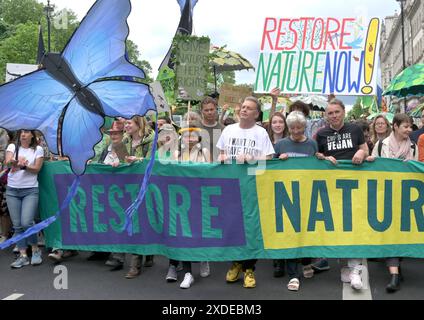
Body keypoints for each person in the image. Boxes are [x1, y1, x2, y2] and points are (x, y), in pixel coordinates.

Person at [217, 96, 275, 289]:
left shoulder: (261, 133)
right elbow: (220, 154)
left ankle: (249, 268)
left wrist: (252, 158)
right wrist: (223, 157)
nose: (244, 110)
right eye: (243, 107)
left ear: (256, 114)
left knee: (250, 228)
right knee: (233, 225)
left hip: (252, 186)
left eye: (249, 108)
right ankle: (236, 263)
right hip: (231, 187)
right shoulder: (228, 129)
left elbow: (268, 158)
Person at [315, 98, 370, 290]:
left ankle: (355, 268)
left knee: (353, 225)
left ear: (343, 112)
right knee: (337, 227)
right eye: (330, 113)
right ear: (326, 115)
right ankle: (346, 268)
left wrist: (361, 154)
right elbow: (316, 157)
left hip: (354, 186)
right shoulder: (321, 134)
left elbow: (365, 149)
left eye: (336, 112)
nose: (334, 116)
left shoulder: (354, 129)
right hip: (331, 188)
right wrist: (322, 157)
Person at [370, 113, 418, 293]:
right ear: (395, 126)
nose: (409, 130)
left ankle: (397, 267)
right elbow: (372, 169)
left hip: (405, 196)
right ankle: (394, 275)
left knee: (401, 232)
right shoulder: (381, 144)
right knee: (390, 233)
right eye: (405, 126)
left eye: (410, 126)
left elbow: (415, 170)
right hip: (385, 195)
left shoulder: (412, 146)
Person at [274, 111, 319, 291]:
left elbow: (317, 167)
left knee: (307, 231)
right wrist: (279, 159)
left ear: (304, 127)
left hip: (308, 195)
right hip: (286, 196)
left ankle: (307, 262)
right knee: (290, 235)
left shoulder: (312, 144)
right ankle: (293, 274)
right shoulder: (281, 144)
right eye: (292, 127)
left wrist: (320, 158)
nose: (295, 130)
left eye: (299, 127)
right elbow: (269, 168)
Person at [165, 125, 211, 289]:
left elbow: (211, 173)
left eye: (193, 136)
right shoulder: (176, 154)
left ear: (198, 138)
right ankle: (187, 272)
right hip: (181, 199)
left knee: (200, 230)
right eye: (186, 136)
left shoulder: (204, 153)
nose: (189, 138)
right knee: (183, 232)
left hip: (200, 197)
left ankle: (204, 258)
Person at [5, 130, 44, 268]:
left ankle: (35, 250)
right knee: (17, 225)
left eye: (26, 132)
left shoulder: (38, 149)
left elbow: (37, 169)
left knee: (27, 222)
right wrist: (12, 163)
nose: (23, 134)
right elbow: (7, 163)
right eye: (21, 132)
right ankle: (23, 256)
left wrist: (23, 166)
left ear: (32, 135)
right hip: (12, 190)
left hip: (30, 190)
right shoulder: (12, 147)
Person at [122, 116, 155, 278]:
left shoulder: (151, 139)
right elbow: (119, 157)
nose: (126, 126)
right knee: (135, 220)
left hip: (146, 185)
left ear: (138, 124)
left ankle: (136, 264)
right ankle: (144, 254)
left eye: (129, 123)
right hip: (128, 185)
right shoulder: (125, 140)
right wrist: (117, 161)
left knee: (140, 220)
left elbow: (152, 161)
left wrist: (139, 160)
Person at [266, 111, 288, 277]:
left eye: (281, 121)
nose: (278, 125)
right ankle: (277, 261)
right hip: (268, 185)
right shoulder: (264, 140)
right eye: (275, 122)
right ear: (270, 124)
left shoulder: (290, 141)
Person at [199, 97, 224, 162]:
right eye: (206, 110)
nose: (209, 112)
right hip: (198, 168)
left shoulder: (224, 129)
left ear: (216, 109)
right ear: (201, 111)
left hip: (218, 168)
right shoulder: (194, 127)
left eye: (211, 109)